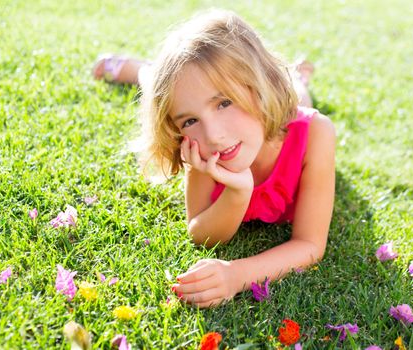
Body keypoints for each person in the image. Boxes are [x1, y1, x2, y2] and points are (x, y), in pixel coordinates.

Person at [95, 9, 335, 308]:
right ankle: (139, 69)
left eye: (224, 102)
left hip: (287, 99)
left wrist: (237, 274)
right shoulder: (203, 146)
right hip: (192, 88)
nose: (214, 136)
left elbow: (310, 245)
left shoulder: (316, 134)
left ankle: (298, 76)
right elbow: (201, 234)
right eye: (189, 120)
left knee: (297, 92)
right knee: (161, 82)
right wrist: (238, 191)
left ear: (257, 84)